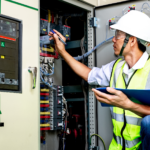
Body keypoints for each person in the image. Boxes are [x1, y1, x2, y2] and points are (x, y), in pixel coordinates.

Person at [49, 10, 150, 150]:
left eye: (118, 35)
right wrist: (63, 52)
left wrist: (128, 104)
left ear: (132, 40)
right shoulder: (116, 67)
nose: (113, 40)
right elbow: (89, 74)